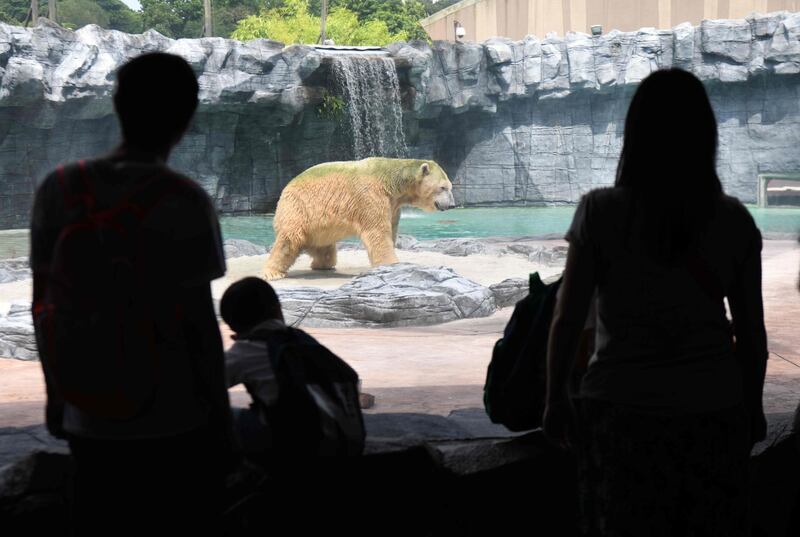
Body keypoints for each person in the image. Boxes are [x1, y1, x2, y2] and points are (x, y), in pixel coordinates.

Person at [543, 68, 768, 536]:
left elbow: (566, 321)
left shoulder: (599, 211)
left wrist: (555, 398)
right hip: (712, 410)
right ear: (706, 136)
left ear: (634, 136)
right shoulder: (734, 220)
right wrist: (754, 408)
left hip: (621, 413)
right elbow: (751, 335)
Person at [30, 53, 237, 536]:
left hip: (90, 407)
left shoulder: (60, 187)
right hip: (175, 414)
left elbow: (43, 303)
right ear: (187, 116)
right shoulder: (185, 199)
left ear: (117, 105)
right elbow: (199, 325)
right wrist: (221, 423)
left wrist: (56, 395)